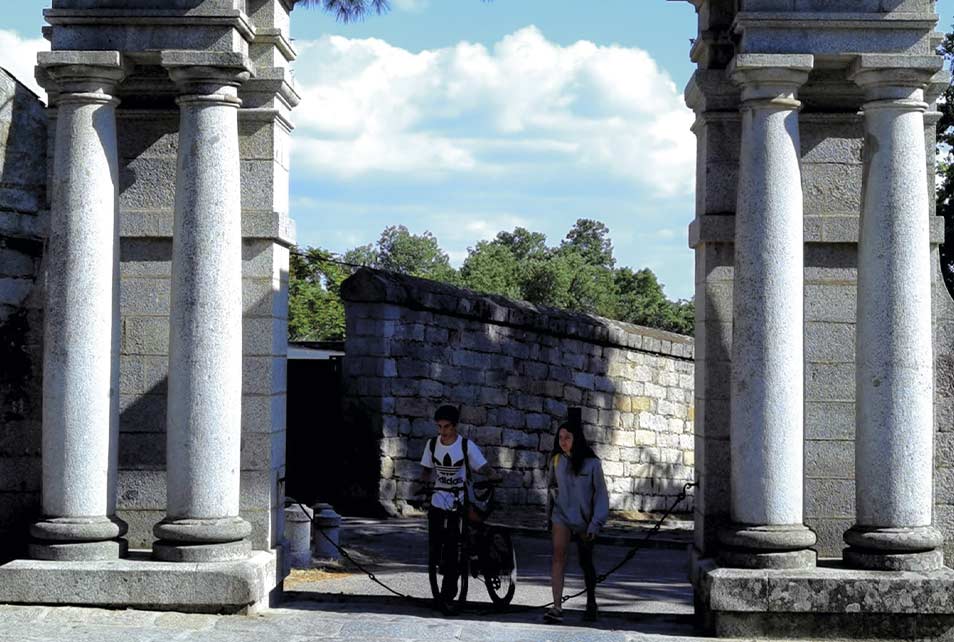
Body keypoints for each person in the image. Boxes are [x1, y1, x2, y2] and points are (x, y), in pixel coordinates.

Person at [419, 404, 500, 611]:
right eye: (439, 427)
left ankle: (448, 594)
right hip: (438, 500)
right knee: (436, 546)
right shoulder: (432, 445)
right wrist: (423, 487)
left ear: (455, 426)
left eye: (446, 427)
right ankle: (439, 582)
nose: (442, 431)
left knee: (454, 547)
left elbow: (482, 467)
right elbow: (426, 470)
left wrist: (493, 476)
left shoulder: (466, 446)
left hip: (459, 501)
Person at [544, 420, 609, 624]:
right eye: (560, 438)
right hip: (561, 515)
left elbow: (601, 495)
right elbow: (551, 489)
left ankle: (591, 602)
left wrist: (595, 523)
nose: (563, 442)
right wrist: (549, 517)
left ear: (576, 439)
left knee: (586, 562)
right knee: (558, 556)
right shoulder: (555, 461)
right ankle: (556, 607)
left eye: (568, 437)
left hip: (585, 519)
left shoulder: (593, 464)